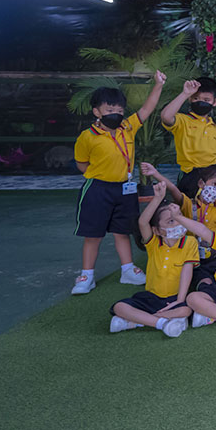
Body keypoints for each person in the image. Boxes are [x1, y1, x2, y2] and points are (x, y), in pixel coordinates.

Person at [71, 71, 165, 295]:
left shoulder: (128, 127)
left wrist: (159, 84)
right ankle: (86, 276)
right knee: (93, 234)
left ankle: (127, 270)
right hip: (97, 189)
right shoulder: (87, 137)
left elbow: (147, 109)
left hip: (125, 188)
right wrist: (101, 174)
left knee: (122, 231)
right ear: (97, 112)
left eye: (120, 111)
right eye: (110, 110)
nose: (116, 114)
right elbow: (82, 164)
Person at [108, 181, 196, 338]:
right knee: (119, 307)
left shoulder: (190, 242)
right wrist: (157, 198)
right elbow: (143, 222)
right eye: (171, 221)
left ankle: (137, 321)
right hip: (151, 297)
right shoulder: (153, 243)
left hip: (175, 298)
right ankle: (162, 323)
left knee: (186, 309)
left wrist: (180, 299)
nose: (178, 223)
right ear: (157, 230)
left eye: (179, 217)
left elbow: (187, 271)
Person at [138, 162, 216, 287]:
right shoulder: (188, 204)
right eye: (214, 184)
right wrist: (155, 174)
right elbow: (172, 188)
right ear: (201, 183)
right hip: (194, 258)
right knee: (204, 282)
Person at [159, 76, 216, 198]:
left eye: (206, 99)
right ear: (190, 99)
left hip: (214, 176)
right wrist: (185, 93)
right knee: (189, 207)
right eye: (196, 98)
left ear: (215, 102)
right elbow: (166, 116)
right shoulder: (182, 121)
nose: (200, 102)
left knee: (215, 208)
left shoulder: (215, 127)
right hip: (191, 176)